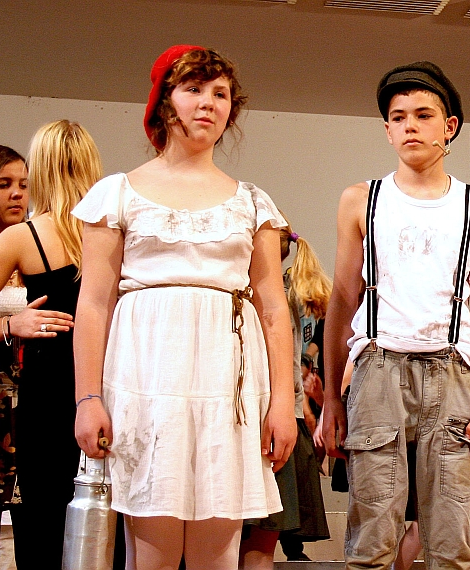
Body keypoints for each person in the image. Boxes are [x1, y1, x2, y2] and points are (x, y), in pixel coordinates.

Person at [71, 45, 294, 569]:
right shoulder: (118, 194)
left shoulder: (252, 202)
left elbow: (273, 309)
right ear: (164, 102)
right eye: (193, 89)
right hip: (148, 378)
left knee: (220, 553)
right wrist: (87, 398)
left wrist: (283, 403)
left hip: (228, 386)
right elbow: (94, 304)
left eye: (220, 93)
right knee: (150, 550)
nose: (208, 102)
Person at [320, 61, 470, 570]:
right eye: (398, 117)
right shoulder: (362, 200)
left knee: (451, 533)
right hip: (378, 366)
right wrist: (331, 395)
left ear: (450, 126)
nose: (410, 126)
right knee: (372, 533)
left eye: (423, 115)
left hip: (453, 369)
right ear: (387, 130)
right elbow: (342, 299)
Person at [0, 120, 101, 567]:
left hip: (42, 390)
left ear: (40, 172)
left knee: (45, 526)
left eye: (24, 183)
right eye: (4, 184)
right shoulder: (109, 232)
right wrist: (11, 323)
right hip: (78, 387)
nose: (16, 193)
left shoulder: (25, 238)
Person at [241, 220, 331, 569]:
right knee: (257, 542)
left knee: (253, 538)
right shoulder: (283, 295)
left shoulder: (266, 299)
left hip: (264, 424)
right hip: (279, 419)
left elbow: (289, 367)